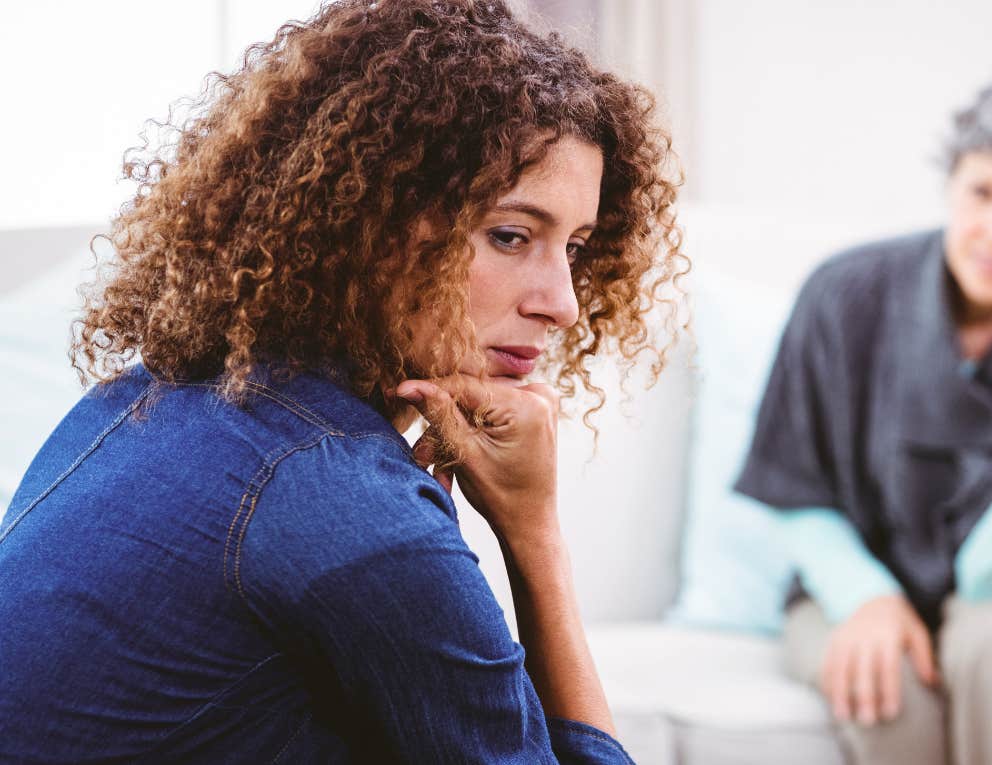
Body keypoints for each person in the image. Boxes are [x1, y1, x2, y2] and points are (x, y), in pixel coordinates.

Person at [0, 1, 683, 761]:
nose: (560, 302)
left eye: (576, 247)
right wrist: (535, 533)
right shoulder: (342, 501)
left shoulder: (136, 401)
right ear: (371, 223)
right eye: (511, 236)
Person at [736, 67, 992, 765]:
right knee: (884, 678)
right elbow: (793, 487)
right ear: (952, 182)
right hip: (852, 577)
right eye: (983, 192)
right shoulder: (844, 294)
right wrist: (867, 598)